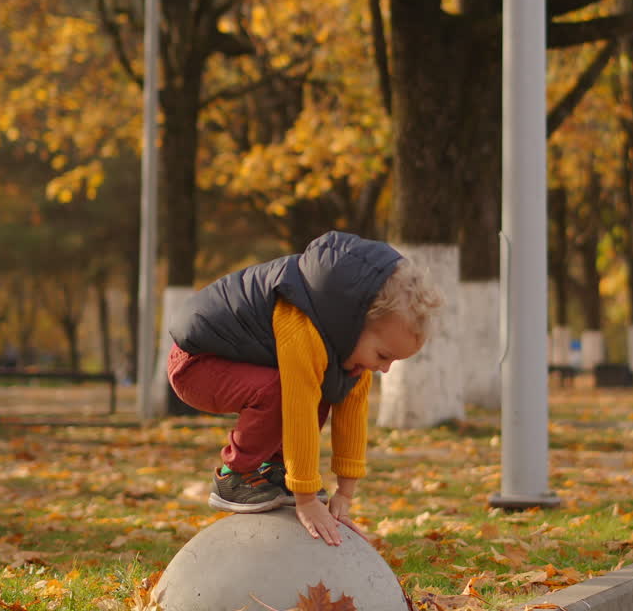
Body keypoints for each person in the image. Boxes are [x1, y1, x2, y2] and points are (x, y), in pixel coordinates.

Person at [166, 231, 443, 545]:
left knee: (325, 387)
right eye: (383, 355)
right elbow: (298, 408)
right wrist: (306, 498)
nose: (385, 368)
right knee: (282, 389)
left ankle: (275, 470)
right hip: (196, 363)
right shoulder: (302, 324)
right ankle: (235, 477)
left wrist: (345, 495)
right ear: (355, 322)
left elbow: (351, 416)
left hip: (241, 364)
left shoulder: (347, 345)